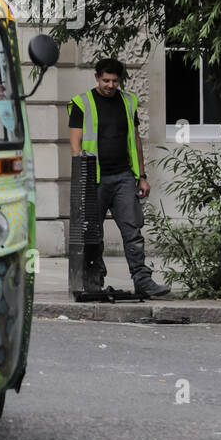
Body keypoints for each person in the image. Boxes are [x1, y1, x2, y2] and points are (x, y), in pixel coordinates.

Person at [68, 58, 170, 298]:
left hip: (124, 177)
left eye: (115, 81)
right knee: (93, 235)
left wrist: (141, 176)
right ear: (96, 77)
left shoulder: (128, 102)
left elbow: (135, 141)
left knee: (133, 232)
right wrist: (82, 179)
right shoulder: (82, 103)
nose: (110, 85)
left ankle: (142, 282)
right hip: (95, 179)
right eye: (106, 80)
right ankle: (93, 283)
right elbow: (75, 145)